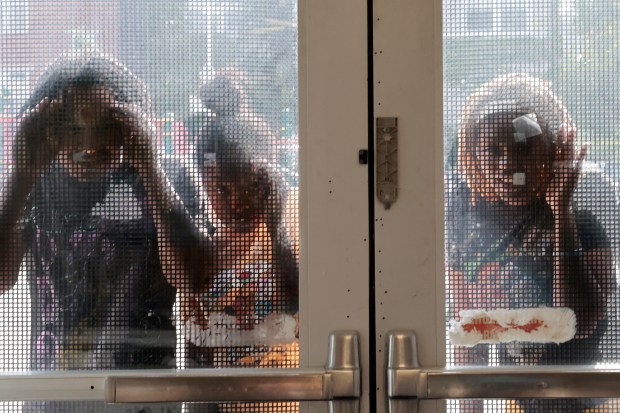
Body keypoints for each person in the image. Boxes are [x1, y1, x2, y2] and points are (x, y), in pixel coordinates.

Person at [0, 54, 178, 412]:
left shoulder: (157, 180)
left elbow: (188, 279)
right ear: (49, 127)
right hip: (55, 394)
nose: (90, 144)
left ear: (130, 124)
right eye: (73, 128)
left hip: (141, 396)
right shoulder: (38, 184)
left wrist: (151, 170)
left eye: (106, 127)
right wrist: (21, 175)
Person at [446, 74, 614, 413]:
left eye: (524, 147)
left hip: (588, 403)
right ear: (473, 160)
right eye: (492, 151)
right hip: (518, 404)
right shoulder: (471, 237)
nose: (509, 165)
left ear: (553, 151)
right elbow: (470, 348)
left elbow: (578, 323)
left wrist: (560, 209)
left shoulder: (581, 226)